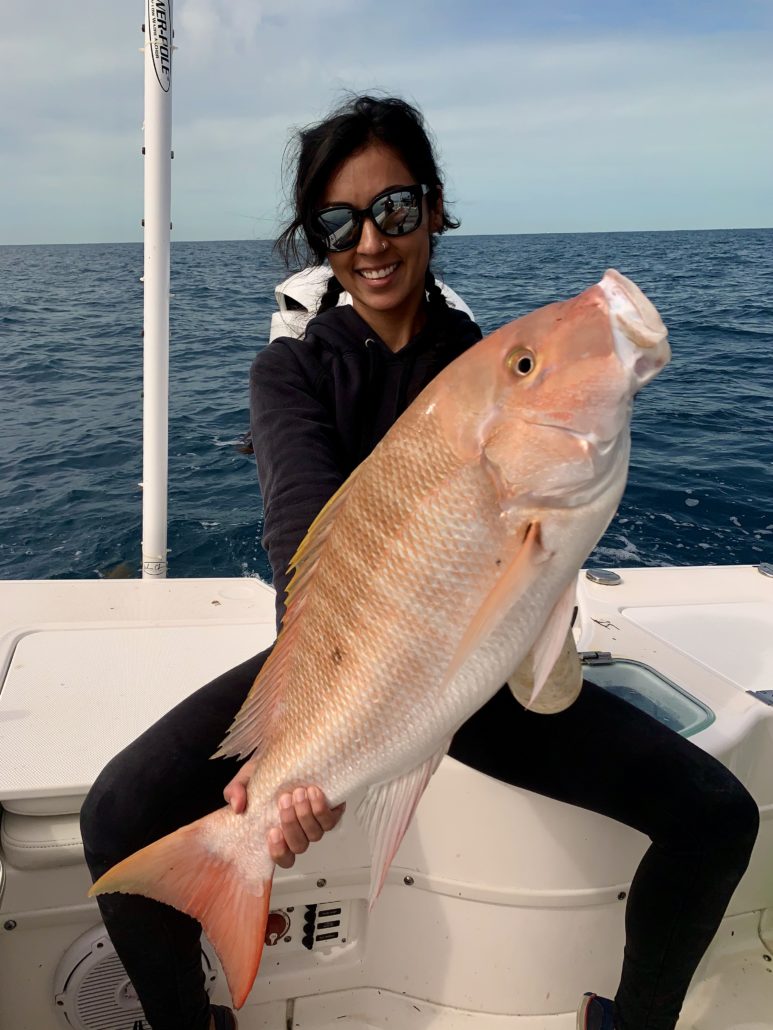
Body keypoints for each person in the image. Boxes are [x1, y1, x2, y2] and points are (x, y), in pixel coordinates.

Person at [80, 95, 759, 1030]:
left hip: (485, 660)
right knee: (119, 811)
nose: (371, 242)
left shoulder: (476, 355)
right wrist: (293, 759)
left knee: (716, 816)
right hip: (363, 671)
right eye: (338, 222)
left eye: (395, 209)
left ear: (433, 210)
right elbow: (301, 537)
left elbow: (548, 528)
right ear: (317, 240)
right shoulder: (291, 373)